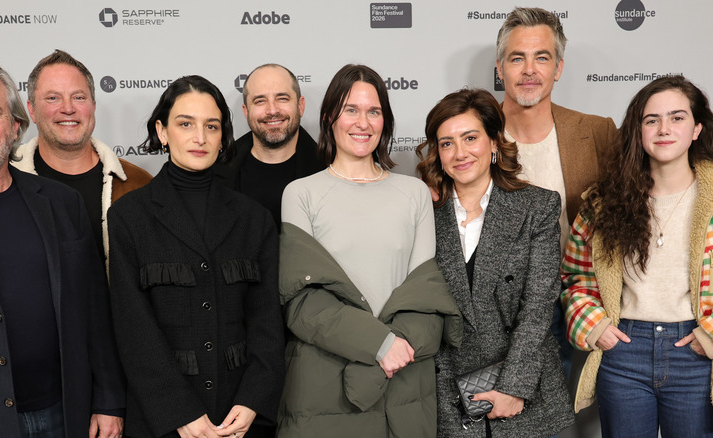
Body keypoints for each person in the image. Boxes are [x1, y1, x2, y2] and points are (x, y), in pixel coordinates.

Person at [0, 53, 125, 437]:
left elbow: (93, 308)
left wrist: (108, 400)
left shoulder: (61, 203)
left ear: (16, 124)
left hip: (65, 413)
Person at [277, 64, 462, 438]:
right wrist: (379, 345)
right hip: (324, 384)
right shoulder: (301, 194)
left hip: (404, 384)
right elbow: (303, 303)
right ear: (329, 117)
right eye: (351, 109)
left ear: (385, 121)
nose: (363, 122)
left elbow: (426, 296)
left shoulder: (413, 194)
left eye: (373, 111)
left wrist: (389, 354)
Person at [107, 75, 285, 438]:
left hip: (241, 421)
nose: (200, 137)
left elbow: (268, 324)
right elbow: (134, 330)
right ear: (162, 130)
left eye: (212, 126)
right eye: (185, 124)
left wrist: (251, 402)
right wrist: (180, 413)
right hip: (163, 422)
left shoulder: (254, 219)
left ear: (223, 136)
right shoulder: (128, 216)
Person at [561, 75, 713, 437]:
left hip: (696, 353)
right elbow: (574, 277)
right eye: (652, 120)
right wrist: (596, 326)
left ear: (696, 129)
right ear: (638, 131)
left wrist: (708, 334)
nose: (664, 129)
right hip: (624, 351)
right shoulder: (603, 202)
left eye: (677, 118)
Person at [417, 89, 574, 437]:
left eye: (470, 138)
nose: (459, 153)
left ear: (493, 143)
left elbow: (537, 308)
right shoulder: (421, 215)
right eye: (446, 143)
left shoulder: (538, 207)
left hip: (528, 395)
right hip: (449, 398)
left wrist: (514, 387)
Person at [495, 6, 619, 376]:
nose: (529, 70)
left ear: (559, 68)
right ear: (500, 68)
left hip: (581, 303)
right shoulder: (472, 135)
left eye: (542, 58)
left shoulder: (597, 132)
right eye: (517, 58)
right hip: (501, 309)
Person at [14, 49, 152, 263]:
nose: (68, 108)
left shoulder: (138, 183)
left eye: (78, 97)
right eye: (53, 98)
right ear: (31, 110)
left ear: (93, 107)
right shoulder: (4, 180)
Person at [213, 63, 325, 229]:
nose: (272, 110)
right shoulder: (215, 173)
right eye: (260, 101)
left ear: (300, 106)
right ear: (246, 111)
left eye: (282, 98)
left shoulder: (329, 169)